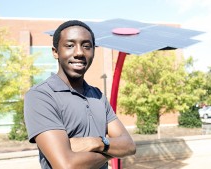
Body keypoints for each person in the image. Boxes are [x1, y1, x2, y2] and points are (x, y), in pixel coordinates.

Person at [24, 20, 136, 169]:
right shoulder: (41, 96)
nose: (79, 53)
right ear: (55, 52)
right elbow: (66, 165)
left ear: (93, 52)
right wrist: (113, 150)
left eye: (86, 46)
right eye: (70, 46)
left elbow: (129, 145)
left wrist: (94, 142)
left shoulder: (97, 96)